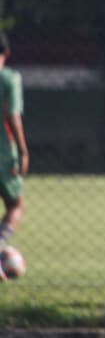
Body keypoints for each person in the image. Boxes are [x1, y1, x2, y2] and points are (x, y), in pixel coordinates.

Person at [0, 31, 29, 261]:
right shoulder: (9, 79)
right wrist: (22, 150)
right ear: (6, 53)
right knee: (15, 205)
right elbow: (12, 116)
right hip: (3, 154)